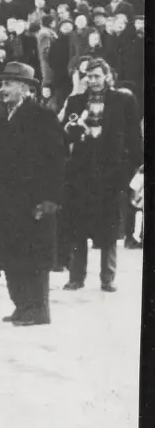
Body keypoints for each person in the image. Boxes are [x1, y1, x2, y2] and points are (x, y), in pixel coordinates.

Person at [0, 63, 65, 326]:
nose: (2, 89)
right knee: (10, 254)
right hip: (6, 201)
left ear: (26, 89)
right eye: (1, 84)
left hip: (32, 201)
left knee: (33, 257)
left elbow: (58, 159)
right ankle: (21, 305)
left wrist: (50, 199)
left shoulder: (42, 116)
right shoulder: (1, 116)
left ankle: (37, 310)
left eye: (8, 84)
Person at [60, 58, 142, 292]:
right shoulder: (75, 101)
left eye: (97, 76)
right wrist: (71, 132)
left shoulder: (124, 100)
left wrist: (134, 168)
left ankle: (108, 278)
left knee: (109, 226)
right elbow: (65, 138)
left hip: (111, 171)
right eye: (88, 76)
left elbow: (134, 136)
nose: (92, 80)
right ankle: (76, 277)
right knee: (77, 226)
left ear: (108, 76)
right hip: (81, 171)